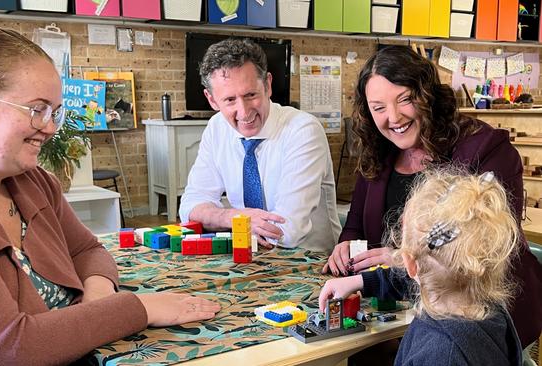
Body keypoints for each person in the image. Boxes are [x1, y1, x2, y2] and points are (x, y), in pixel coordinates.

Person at [0, 26, 220, 365]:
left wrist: (99, 301)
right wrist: (137, 308)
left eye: (54, 112)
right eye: (37, 109)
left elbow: (86, 249)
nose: (50, 127)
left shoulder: (30, 181)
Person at [322, 45, 541, 348]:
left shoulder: (486, 149)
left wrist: (403, 257)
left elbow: (487, 246)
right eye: (379, 108)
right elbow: (356, 224)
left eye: (405, 100)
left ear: (427, 96)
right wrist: (346, 245)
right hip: (399, 315)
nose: (394, 117)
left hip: (478, 320)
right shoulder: (379, 153)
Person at [319, 170, 523, 366]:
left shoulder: (442, 354)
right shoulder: (490, 308)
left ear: (409, 263)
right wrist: (360, 282)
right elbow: (421, 275)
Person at [179, 38, 341, 251]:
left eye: (251, 95)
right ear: (211, 100)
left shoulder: (303, 130)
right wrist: (234, 217)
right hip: (250, 257)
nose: (244, 112)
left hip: (310, 263)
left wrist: (223, 220)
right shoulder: (216, 128)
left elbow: (286, 231)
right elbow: (190, 207)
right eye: (229, 100)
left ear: (267, 85)